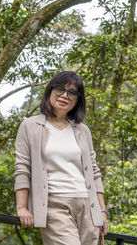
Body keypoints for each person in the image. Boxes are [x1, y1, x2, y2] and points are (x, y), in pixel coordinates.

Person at [14, 71, 108, 245]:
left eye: (72, 92)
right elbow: (22, 168)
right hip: (54, 205)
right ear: (50, 90)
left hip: (88, 206)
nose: (65, 95)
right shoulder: (30, 126)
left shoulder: (82, 130)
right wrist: (22, 208)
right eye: (60, 89)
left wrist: (102, 211)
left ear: (78, 99)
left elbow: (94, 172)